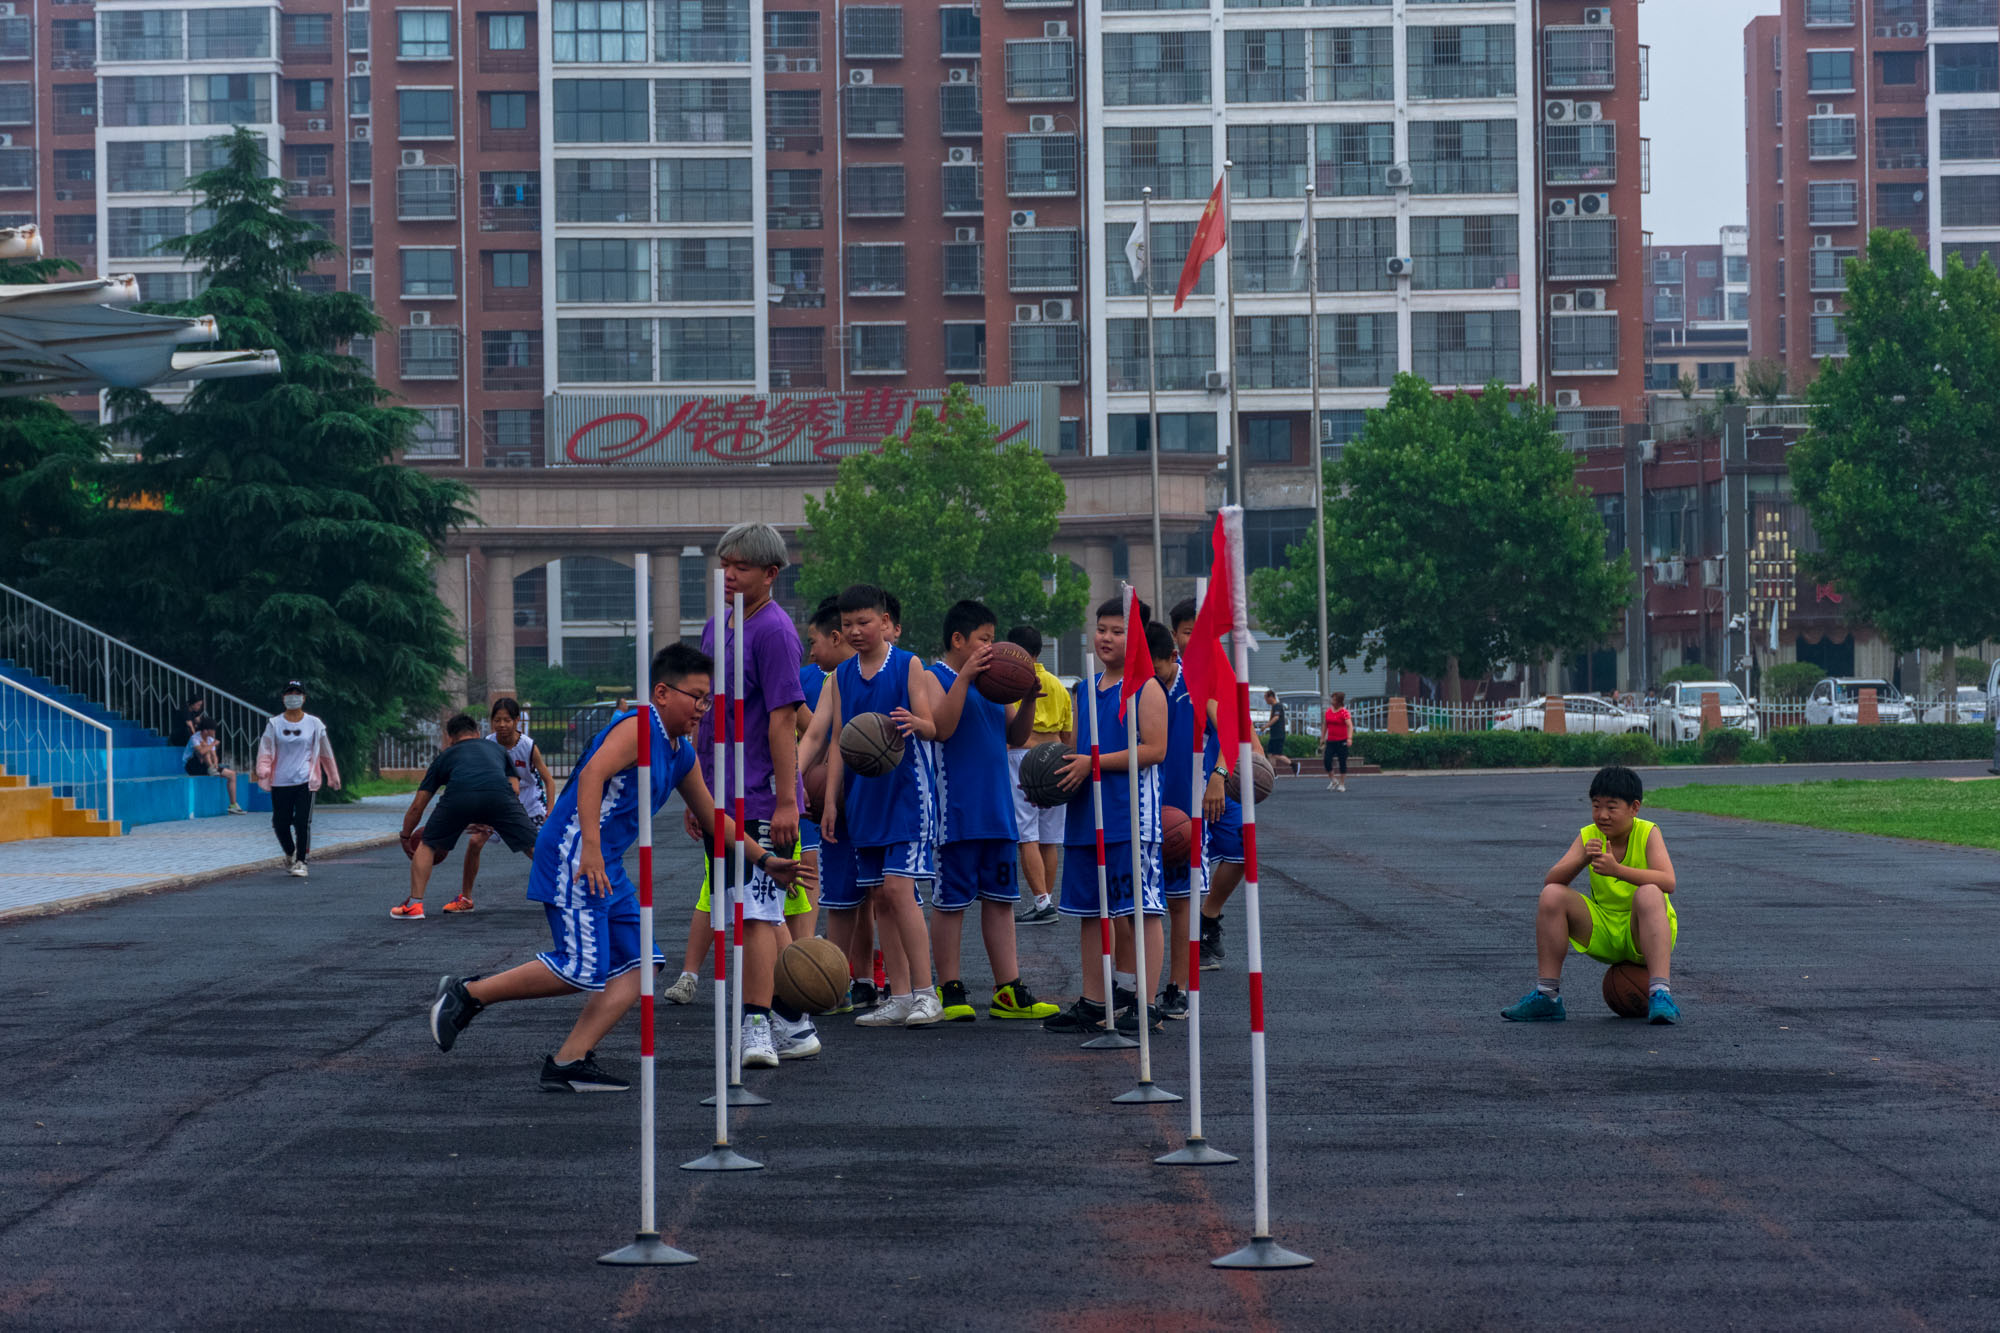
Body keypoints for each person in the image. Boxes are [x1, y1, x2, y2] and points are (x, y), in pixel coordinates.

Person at [427, 643, 800, 1091]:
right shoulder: (639, 726)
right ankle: (467, 994)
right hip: (574, 855)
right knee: (582, 968)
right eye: (696, 696)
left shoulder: (680, 750)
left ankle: (568, 1062)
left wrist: (766, 861)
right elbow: (590, 775)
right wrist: (590, 848)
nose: (703, 707)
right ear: (662, 693)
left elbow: (713, 816)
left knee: (642, 966)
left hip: (606, 866)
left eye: (708, 699)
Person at [670, 523, 815, 1068]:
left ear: (770, 574)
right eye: (725, 563)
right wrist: (698, 796)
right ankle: (794, 1022)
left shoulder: (775, 632)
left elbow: (783, 724)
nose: (729, 573)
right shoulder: (717, 625)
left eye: (743, 567)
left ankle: (757, 1022)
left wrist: (785, 802)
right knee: (757, 910)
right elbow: (705, 718)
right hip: (720, 792)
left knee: (754, 914)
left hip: (758, 794)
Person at [809, 583, 945, 1027]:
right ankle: (900, 995)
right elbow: (830, 740)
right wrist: (829, 802)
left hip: (906, 797)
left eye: (864, 622)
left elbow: (931, 725)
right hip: (863, 800)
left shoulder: (909, 664)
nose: (855, 631)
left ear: (885, 623)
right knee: (879, 897)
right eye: (847, 625)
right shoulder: (840, 676)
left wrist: (916, 722)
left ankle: (928, 993)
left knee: (899, 890)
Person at [926, 600, 1061, 1022]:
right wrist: (965, 678)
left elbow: (1017, 737)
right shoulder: (935, 678)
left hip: (998, 809)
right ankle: (949, 988)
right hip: (958, 811)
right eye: (985, 639)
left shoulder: (994, 684)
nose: (992, 647)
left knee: (1000, 901)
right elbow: (942, 728)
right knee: (951, 903)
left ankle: (1008, 989)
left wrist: (1028, 703)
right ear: (958, 640)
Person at [1043, 597, 1168, 1034]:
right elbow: (1076, 754)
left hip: (1131, 817)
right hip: (1085, 819)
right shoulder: (1084, 689)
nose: (1107, 638)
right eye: (1101, 629)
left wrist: (1091, 764)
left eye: (1118, 631)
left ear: (1136, 640)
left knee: (1141, 911)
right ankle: (1095, 1001)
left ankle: (1147, 1004)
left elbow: (1155, 750)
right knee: (1091, 912)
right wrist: (1049, 782)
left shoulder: (1146, 687)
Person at [1501, 765, 1681, 1026]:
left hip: (1642, 932)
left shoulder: (1648, 832)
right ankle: (1547, 996)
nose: (1602, 815)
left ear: (1634, 808)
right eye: (1596, 806)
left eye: (1611, 807)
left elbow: (1669, 881)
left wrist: (1618, 870)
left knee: (1650, 893)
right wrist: (1583, 858)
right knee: (1552, 894)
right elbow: (1551, 880)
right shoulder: (1589, 835)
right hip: (1605, 929)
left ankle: (1661, 994)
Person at [390, 713, 542, 920]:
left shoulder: (445, 756)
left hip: (458, 797)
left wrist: (406, 836)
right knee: (534, 845)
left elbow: (418, 806)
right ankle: (568, 893)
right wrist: (492, 817)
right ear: (477, 733)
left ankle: (415, 905)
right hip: (500, 797)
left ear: (450, 738)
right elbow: (515, 789)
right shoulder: (497, 750)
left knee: (427, 844)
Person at [444, 697, 555, 915]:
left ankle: (559, 892)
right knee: (475, 842)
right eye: (497, 720)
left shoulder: (528, 746)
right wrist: (476, 815)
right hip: (499, 802)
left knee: (536, 850)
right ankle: (466, 898)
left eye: (506, 720)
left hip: (529, 805)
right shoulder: (487, 744)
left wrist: (550, 811)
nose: (502, 725)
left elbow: (548, 780)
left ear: (516, 721)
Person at [1005, 623, 1072, 925]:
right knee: (1049, 838)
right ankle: (1046, 900)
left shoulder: (1011, 681)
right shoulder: (1058, 684)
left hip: (1023, 758)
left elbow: (1011, 730)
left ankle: (1041, 901)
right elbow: (1067, 734)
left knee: (1026, 835)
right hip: (1058, 759)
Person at [1147, 620, 1194, 1019]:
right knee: (1136, 907)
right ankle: (1130, 987)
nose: (1152, 678)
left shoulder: (1195, 691)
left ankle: (1178, 987)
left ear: (1172, 658)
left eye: (1156, 668)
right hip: (1143, 812)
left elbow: (1228, 737)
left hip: (1183, 814)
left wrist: (1218, 777)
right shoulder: (1138, 691)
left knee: (1180, 905)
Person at [254, 681, 339, 879]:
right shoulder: (275, 723)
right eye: (289, 693)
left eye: (297, 693)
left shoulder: (314, 724)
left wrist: (332, 776)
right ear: (284, 698)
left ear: (304, 698)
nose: (293, 696)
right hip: (280, 781)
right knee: (280, 823)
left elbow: (326, 752)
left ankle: (301, 861)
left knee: (302, 822)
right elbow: (265, 749)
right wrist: (263, 769)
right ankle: (290, 852)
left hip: (305, 780)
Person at [182, 716, 246, 814]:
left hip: (207, 766)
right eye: (213, 730)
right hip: (192, 766)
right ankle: (211, 769)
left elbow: (214, 756)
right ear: (206, 730)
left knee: (232, 775)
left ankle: (233, 805)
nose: (214, 732)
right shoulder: (195, 738)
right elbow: (202, 752)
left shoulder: (210, 739)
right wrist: (212, 745)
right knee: (204, 747)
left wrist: (215, 764)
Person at [1265, 689, 1300, 776]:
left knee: (1276, 755)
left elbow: (1276, 718)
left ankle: (1293, 764)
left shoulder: (1278, 706)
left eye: (1266, 698)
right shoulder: (1274, 707)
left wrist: (1266, 726)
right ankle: (1273, 772)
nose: (1266, 701)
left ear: (1271, 697)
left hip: (1278, 734)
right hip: (1273, 734)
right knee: (1270, 754)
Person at [1323, 691, 1353, 792]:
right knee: (1327, 760)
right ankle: (1333, 779)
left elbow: (1349, 725)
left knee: (1342, 762)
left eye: (1334, 699)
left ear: (1339, 701)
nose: (1332, 701)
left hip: (1342, 741)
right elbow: (1325, 725)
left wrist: (1349, 738)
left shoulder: (1344, 712)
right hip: (1331, 741)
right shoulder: (1328, 712)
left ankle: (1342, 783)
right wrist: (1322, 737)